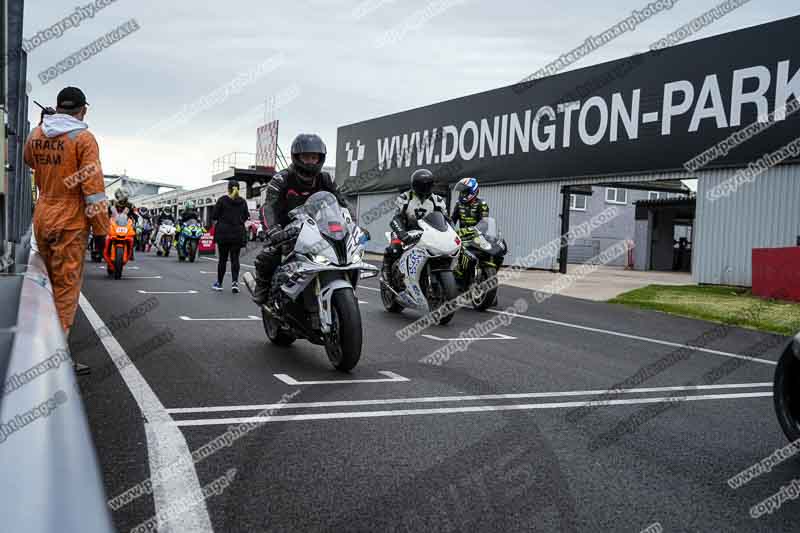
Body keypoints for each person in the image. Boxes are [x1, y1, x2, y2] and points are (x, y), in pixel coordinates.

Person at [23, 86, 108, 374]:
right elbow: (93, 190)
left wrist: (42, 124)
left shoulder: (38, 134)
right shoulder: (83, 138)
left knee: (44, 288)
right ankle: (54, 361)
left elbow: (28, 160)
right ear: (82, 110)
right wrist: (100, 229)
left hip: (43, 215)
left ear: (58, 108)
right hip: (70, 221)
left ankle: (41, 349)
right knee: (65, 291)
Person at [252, 133, 349, 307]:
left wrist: (352, 223)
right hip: (285, 230)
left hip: (318, 229)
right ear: (297, 157)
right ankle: (263, 290)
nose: (311, 161)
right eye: (306, 157)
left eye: (314, 157)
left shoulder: (325, 179)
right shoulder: (281, 178)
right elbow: (268, 207)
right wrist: (274, 231)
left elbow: (342, 204)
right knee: (268, 256)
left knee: (343, 255)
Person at [381, 168, 448, 281]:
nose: (424, 188)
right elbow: (396, 218)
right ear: (414, 185)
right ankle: (388, 276)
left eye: (427, 185)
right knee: (394, 249)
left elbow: (446, 219)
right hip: (406, 231)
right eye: (421, 185)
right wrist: (402, 234)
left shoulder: (438, 200)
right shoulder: (405, 197)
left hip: (429, 234)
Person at [211, 181, 249, 293]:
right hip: (237, 233)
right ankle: (235, 283)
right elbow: (246, 216)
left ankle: (219, 283)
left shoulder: (222, 200)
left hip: (223, 233)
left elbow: (214, 216)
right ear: (238, 189)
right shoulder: (242, 202)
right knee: (235, 259)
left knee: (222, 259)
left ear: (228, 189)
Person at [108, 188, 139, 259]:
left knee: (133, 233)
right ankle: (100, 250)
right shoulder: (111, 202)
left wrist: (137, 221)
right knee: (104, 234)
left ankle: (131, 252)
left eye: (123, 195)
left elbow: (136, 214)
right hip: (113, 223)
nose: (122, 197)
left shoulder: (130, 204)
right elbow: (104, 212)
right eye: (120, 195)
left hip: (126, 224)